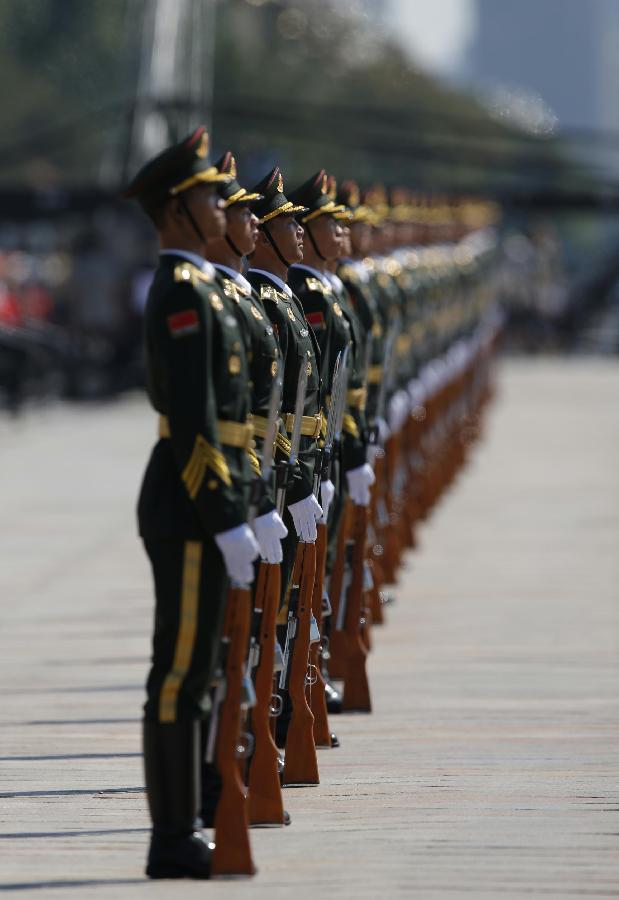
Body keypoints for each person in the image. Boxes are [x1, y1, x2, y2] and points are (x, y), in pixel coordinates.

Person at [122, 126, 260, 880]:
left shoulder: (201, 287)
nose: (219, 203)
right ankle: (171, 834)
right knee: (178, 668)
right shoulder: (178, 294)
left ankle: (198, 809)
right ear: (176, 211)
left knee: (203, 665)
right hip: (185, 503)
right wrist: (225, 514)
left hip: (205, 500)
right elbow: (195, 423)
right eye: (208, 194)